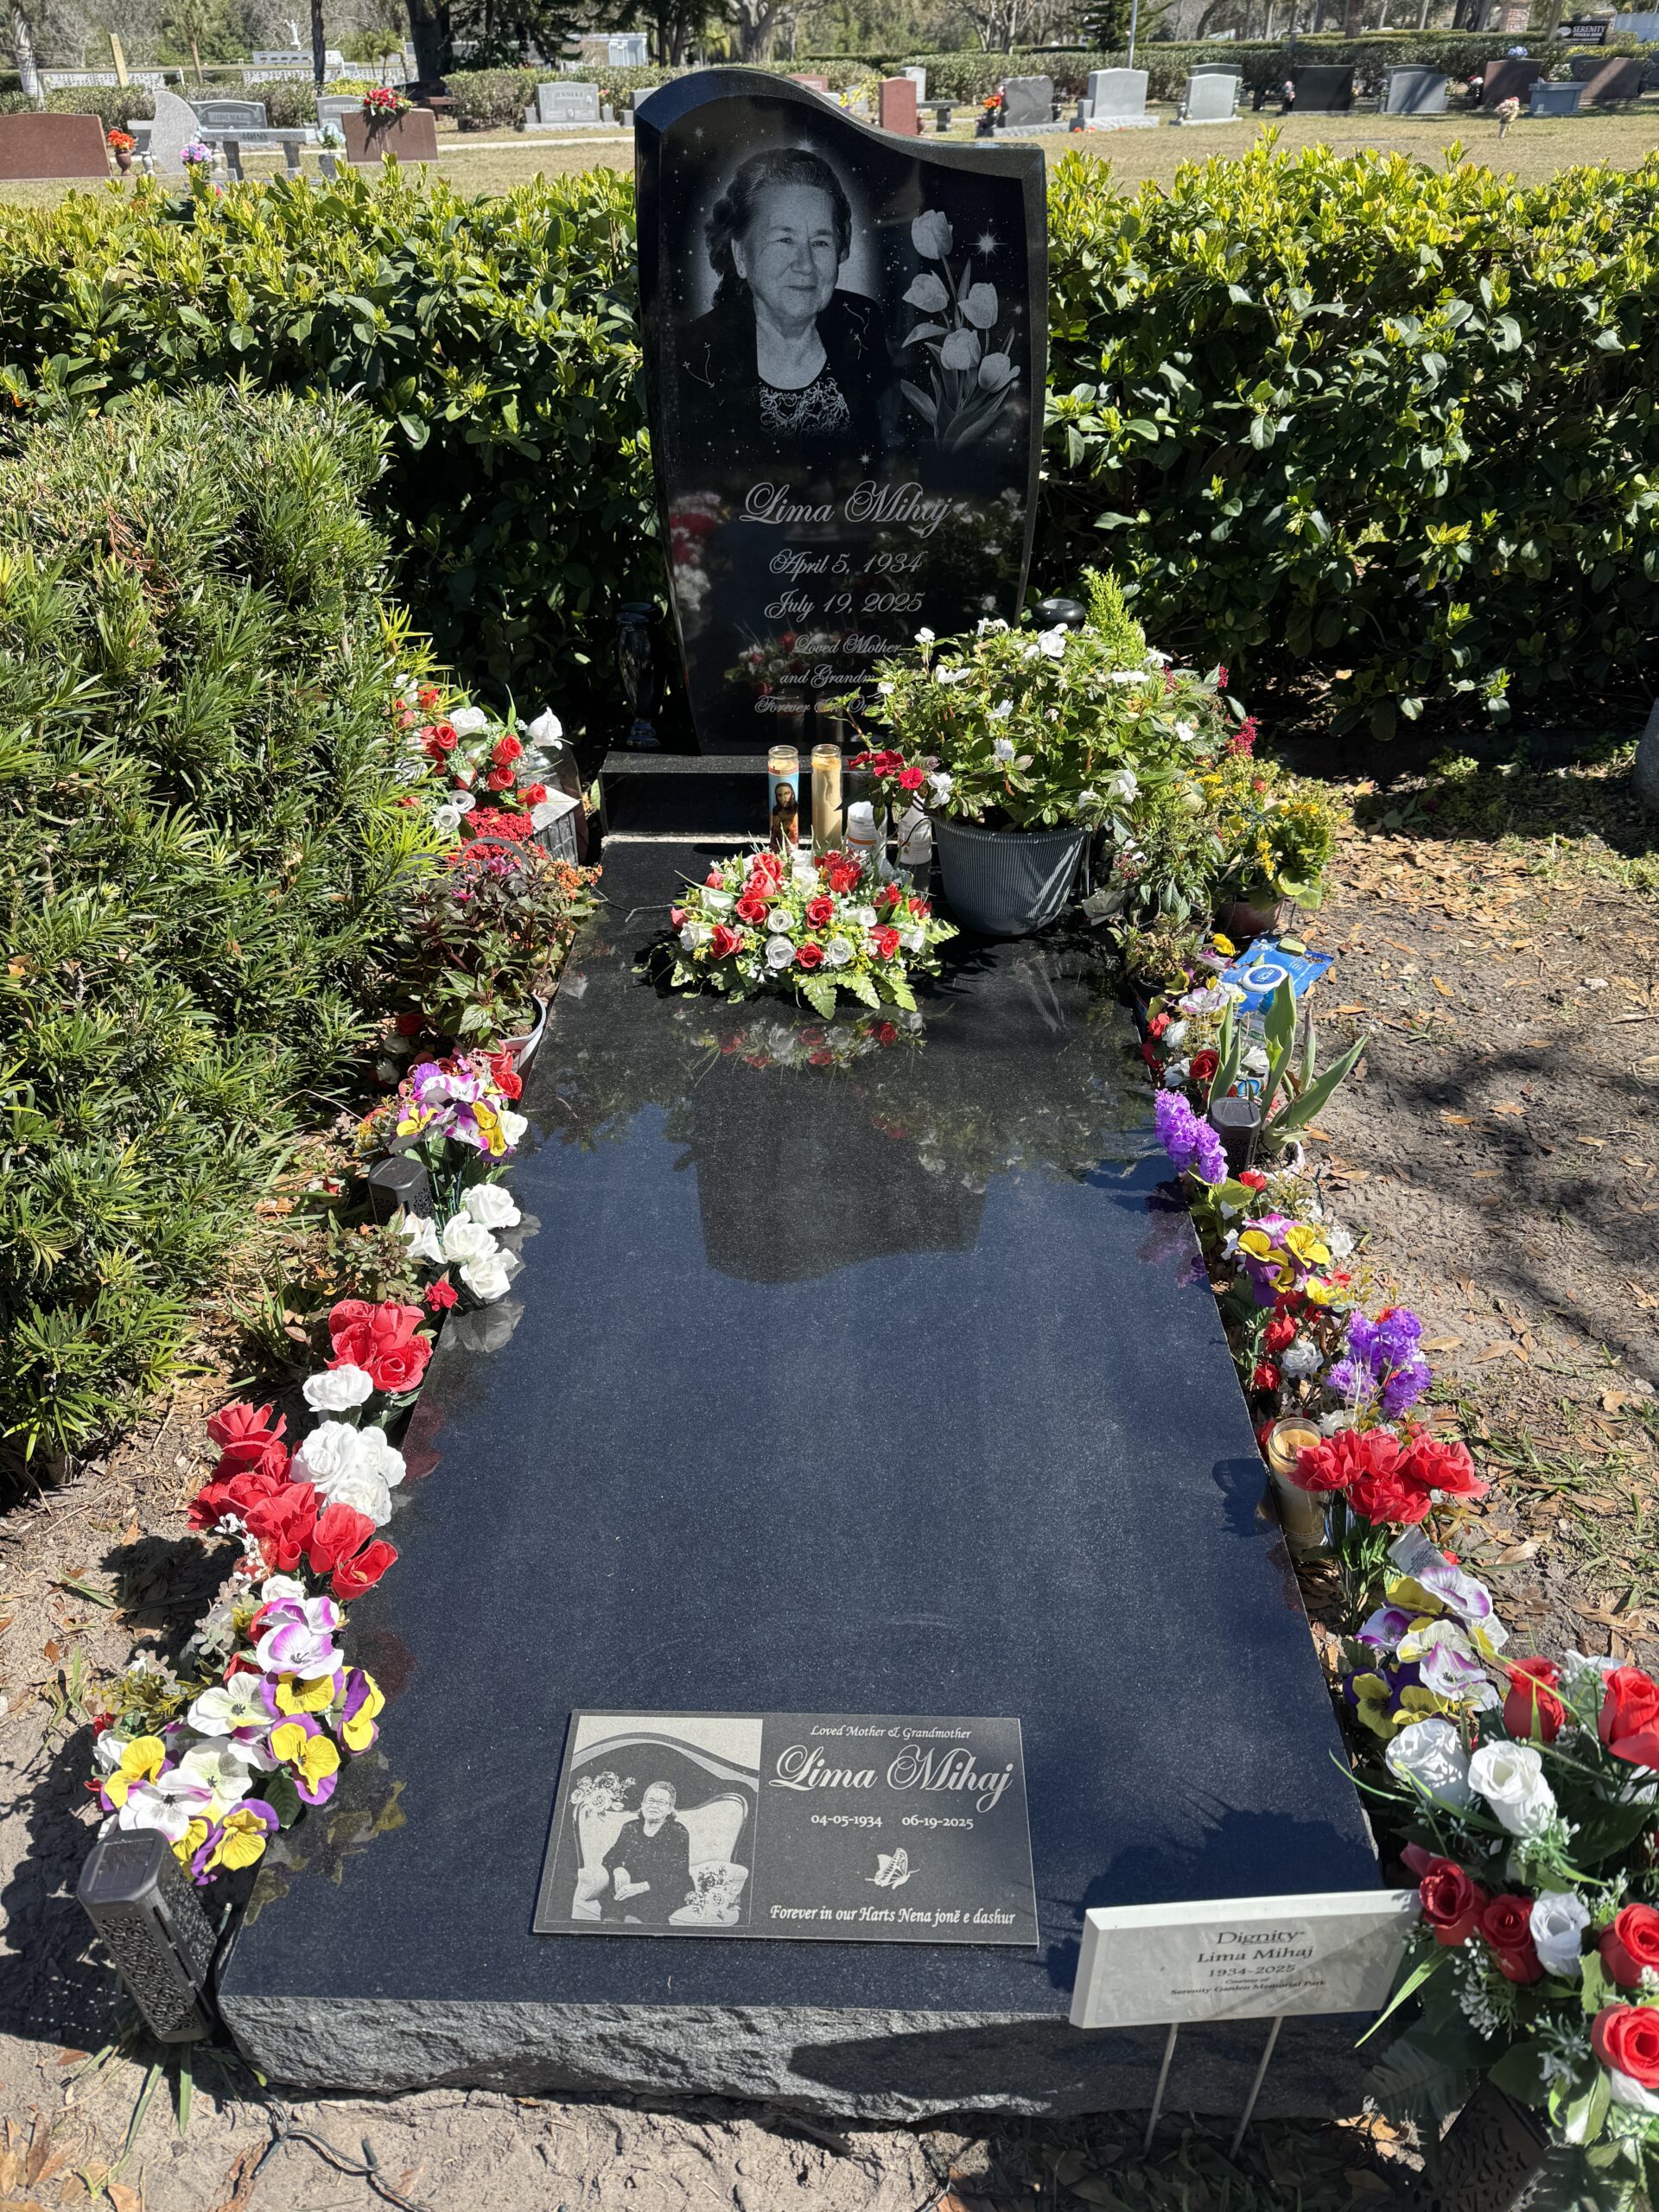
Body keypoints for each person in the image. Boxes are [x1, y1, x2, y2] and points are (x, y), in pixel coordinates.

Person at [676, 145, 893, 473]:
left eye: (820, 242)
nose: (805, 265)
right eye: (784, 240)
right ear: (741, 256)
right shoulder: (696, 354)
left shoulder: (860, 321)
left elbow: (886, 446)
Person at [600, 1782, 693, 1924]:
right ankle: (611, 1928)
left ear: (670, 1809)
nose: (654, 1805)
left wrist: (641, 1887)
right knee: (612, 1895)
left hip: (664, 1888)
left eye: (661, 1802)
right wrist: (618, 1869)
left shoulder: (678, 1832)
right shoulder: (630, 1828)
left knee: (651, 1904)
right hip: (633, 1884)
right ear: (643, 1804)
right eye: (650, 1800)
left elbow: (677, 1874)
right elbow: (610, 1857)